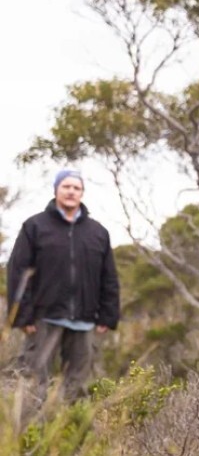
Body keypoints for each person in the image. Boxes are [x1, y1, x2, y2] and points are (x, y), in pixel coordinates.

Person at [6, 169, 119, 402]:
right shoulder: (34, 226)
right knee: (35, 383)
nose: (71, 191)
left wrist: (108, 315)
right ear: (56, 190)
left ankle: (71, 435)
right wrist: (23, 316)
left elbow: (108, 277)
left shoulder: (98, 232)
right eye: (66, 186)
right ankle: (31, 436)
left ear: (82, 193)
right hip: (43, 318)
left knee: (76, 388)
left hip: (84, 320)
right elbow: (18, 271)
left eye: (76, 188)